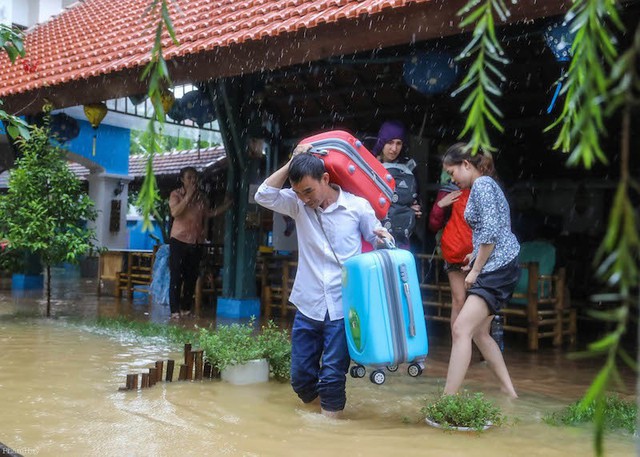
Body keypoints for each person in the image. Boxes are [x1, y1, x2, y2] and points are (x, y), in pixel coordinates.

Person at [254, 147, 393, 418]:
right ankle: (324, 417)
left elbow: (377, 240)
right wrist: (292, 161)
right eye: (298, 193)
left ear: (326, 179)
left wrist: (383, 237)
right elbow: (263, 195)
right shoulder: (297, 205)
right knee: (301, 379)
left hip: (344, 307)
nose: (305, 199)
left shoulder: (356, 207)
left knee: (331, 375)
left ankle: (330, 430)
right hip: (309, 303)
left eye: (309, 191)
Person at [440, 143, 520, 398]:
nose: (452, 179)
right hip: (500, 265)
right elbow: (495, 229)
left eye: (452, 173)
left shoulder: (483, 186)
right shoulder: (485, 185)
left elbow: (489, 235)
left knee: (461, 329)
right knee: (480, 333)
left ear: (466, 164)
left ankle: (446, 401)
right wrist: (474, 256)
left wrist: (475, 270)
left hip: (497, 269)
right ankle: (509, 392)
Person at [168, 167, 231, 320]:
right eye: (189, 177)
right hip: (179, 240)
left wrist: (227, 205)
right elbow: (175, 212)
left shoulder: (202, 197)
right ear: (182, 179)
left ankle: (185, 309)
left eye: (195, 177)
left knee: (191, 276)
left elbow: (209, 213)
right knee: (177, 276)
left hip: (196, 241)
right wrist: (188, 196)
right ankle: (174, 310)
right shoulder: (176, 194)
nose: (193, 180)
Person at [428, 174, 473, 327]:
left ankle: (468, 342)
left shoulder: (482, 189)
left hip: (475, 252)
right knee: (459, 300)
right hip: (455, 250)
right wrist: (440, 205)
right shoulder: (448, 191)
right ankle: (459, 342)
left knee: (473, 302)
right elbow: (433, 225)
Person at [372, 120, 422, 250]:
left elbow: (416, 195)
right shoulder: (368, 163)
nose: (394, 149)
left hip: (401, 235)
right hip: (373, 233)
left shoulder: (409, 167)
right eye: (390, 142)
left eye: (398, 143)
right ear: (382, 141)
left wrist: (416, 207)